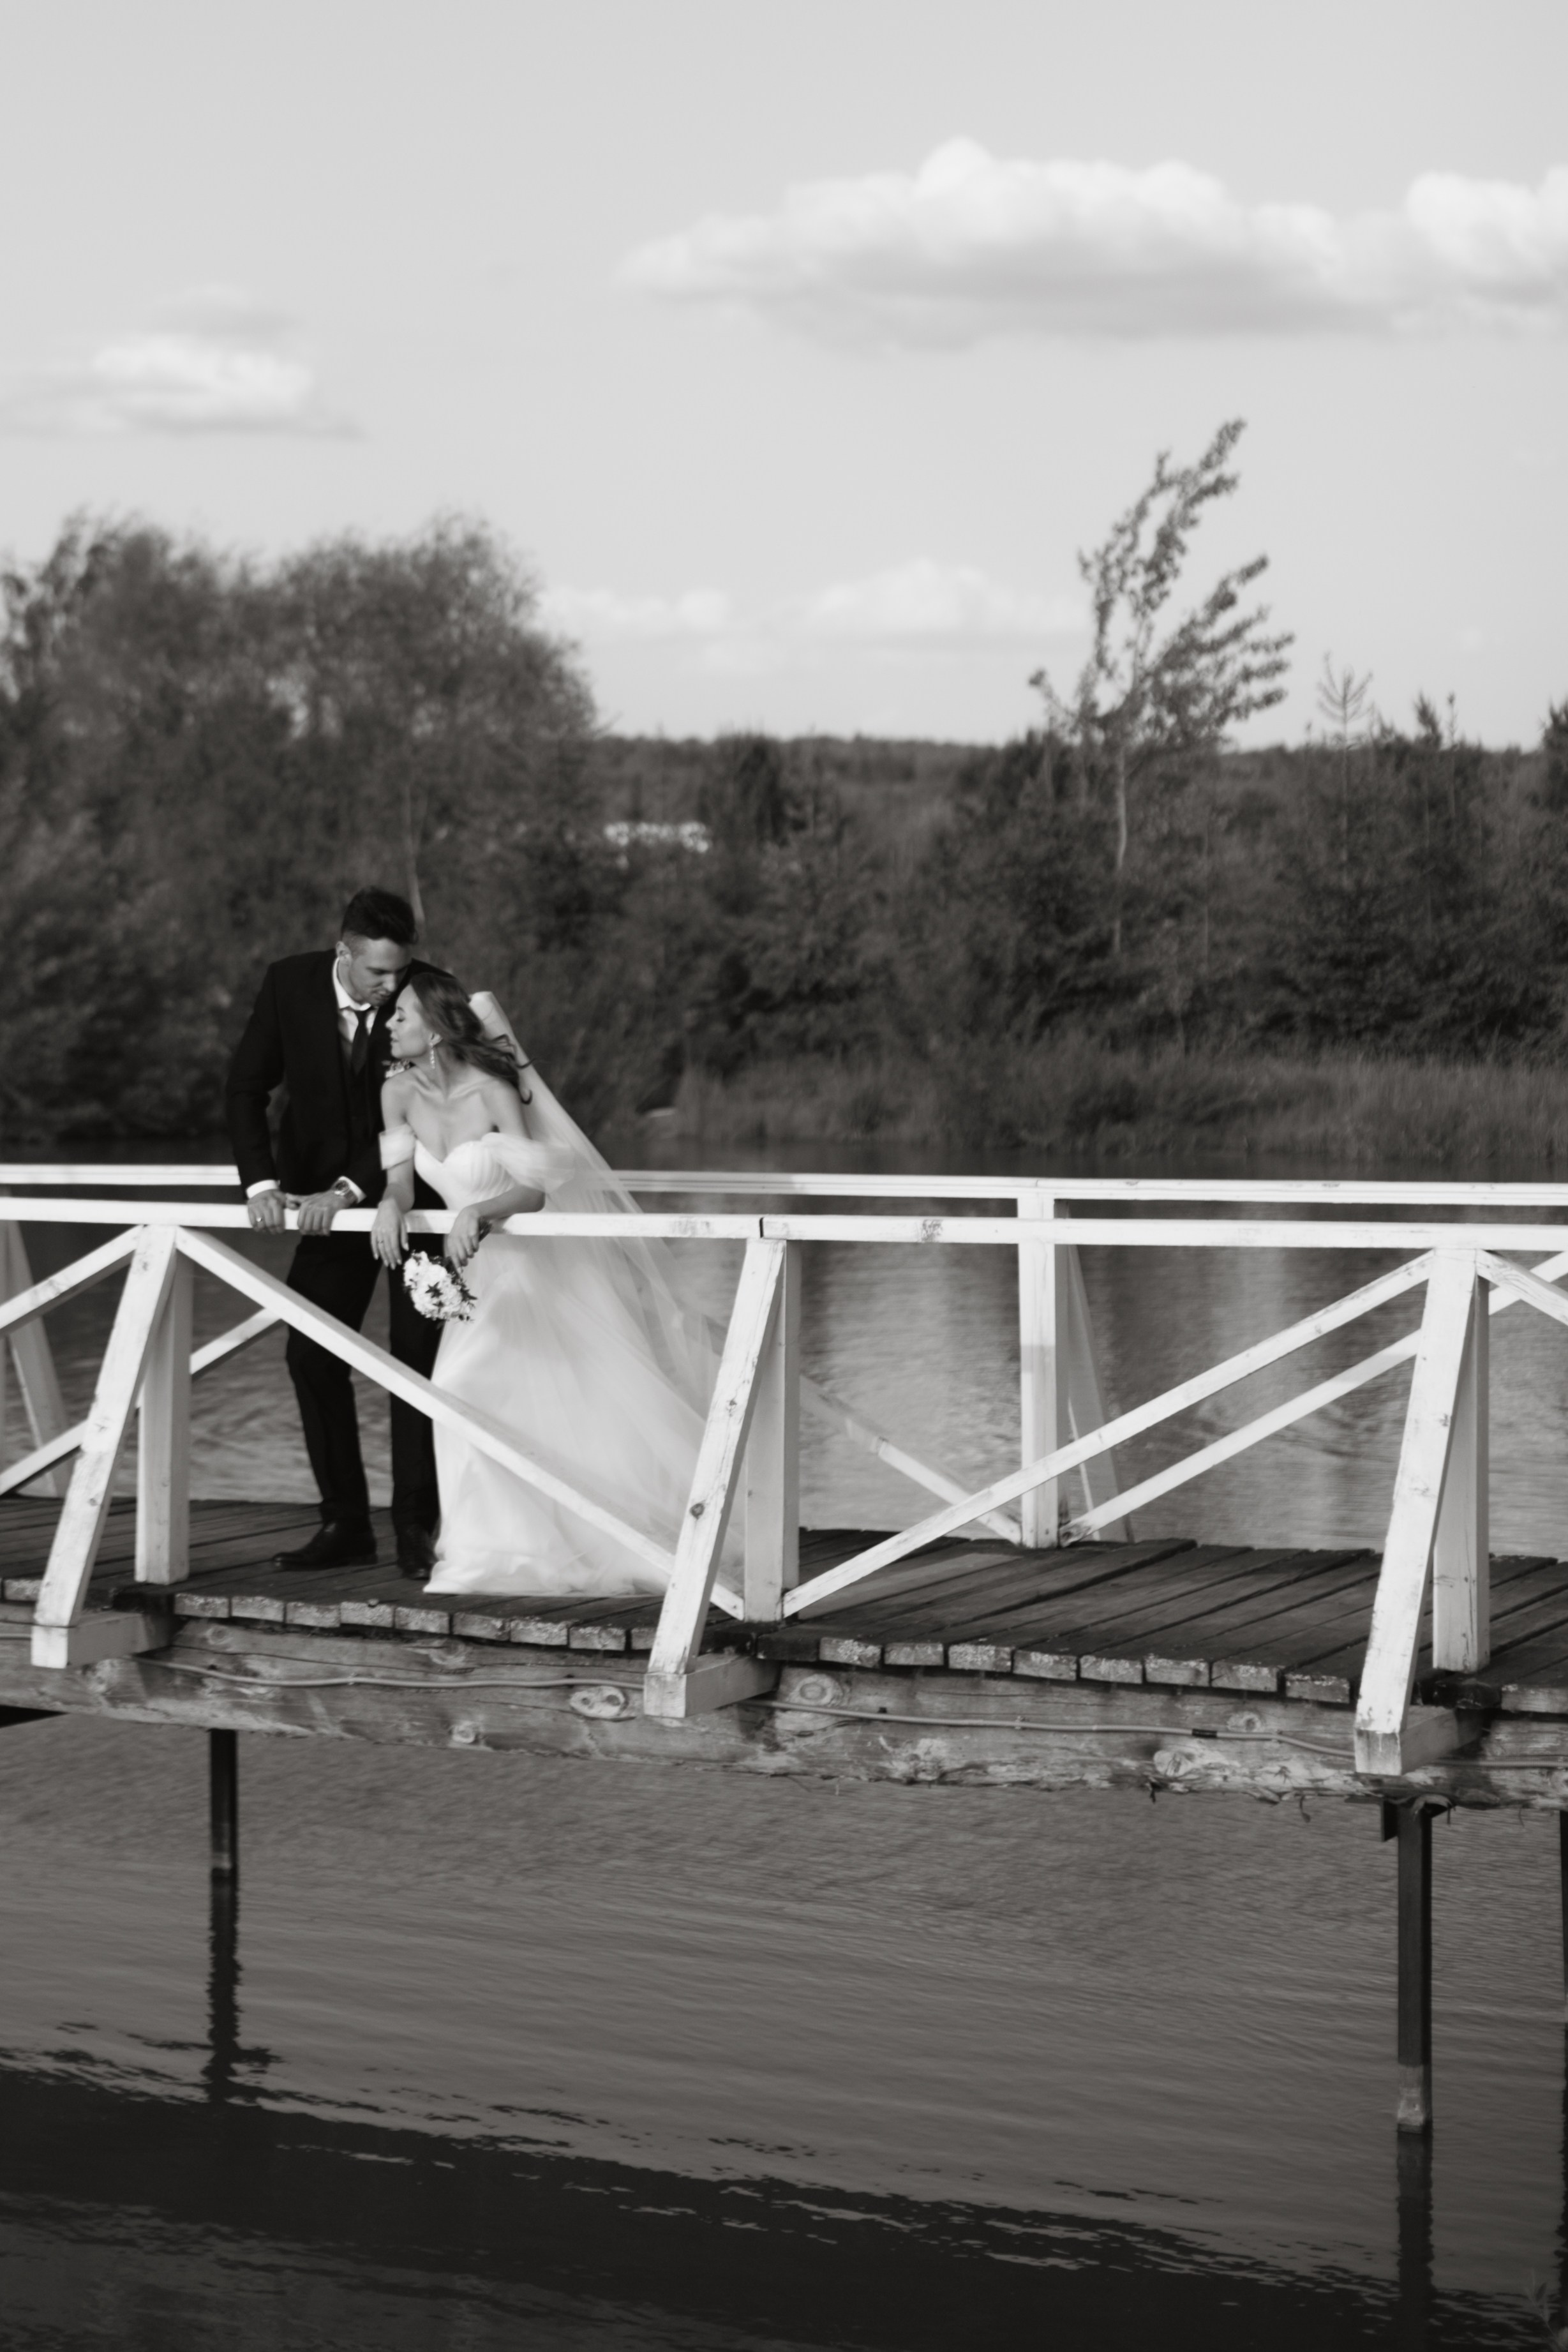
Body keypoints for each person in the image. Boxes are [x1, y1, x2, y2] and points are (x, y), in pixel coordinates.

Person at [370, 970, 721, 1596]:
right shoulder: (394, 1092)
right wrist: (389, 1207)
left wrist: (478, 1212)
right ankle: (493, 1545)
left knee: (466, 1388)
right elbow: (400, 1181)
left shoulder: (492, 1090)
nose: (389, 1024)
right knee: (483, 1398)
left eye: (401, 1015)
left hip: (525, 1266)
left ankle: (522, 1544)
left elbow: (534, 1190)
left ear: (436, 1029)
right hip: (471, 1275)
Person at [224, 888, 444, 1573]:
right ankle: (345, 1524)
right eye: (378, 971)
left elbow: (431, 1106)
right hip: (325, 1208)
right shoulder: (288, 983)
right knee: (311, 1354)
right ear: (343, 952)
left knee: (418, 1364)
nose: (391, 985)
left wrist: (349, 1188)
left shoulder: (428, 991)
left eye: (398, 971)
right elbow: (245, 1087)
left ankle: (418, 1529)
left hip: (419, 1207)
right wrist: (261, 1184)